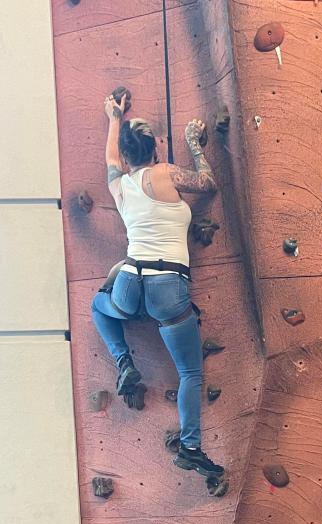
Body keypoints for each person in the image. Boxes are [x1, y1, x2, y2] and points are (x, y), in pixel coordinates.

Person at [90, 92, 224, 479]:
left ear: (126, 155)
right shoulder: (165, 173)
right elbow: (207, 183)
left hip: (130, 284)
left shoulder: (118, 185)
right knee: (190, 374)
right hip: (168, 287)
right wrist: (194, 142)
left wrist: (114, 118)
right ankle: (190, 447)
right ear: (155, 148)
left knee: (99, 307)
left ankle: (124, 363)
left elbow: (110, 160)